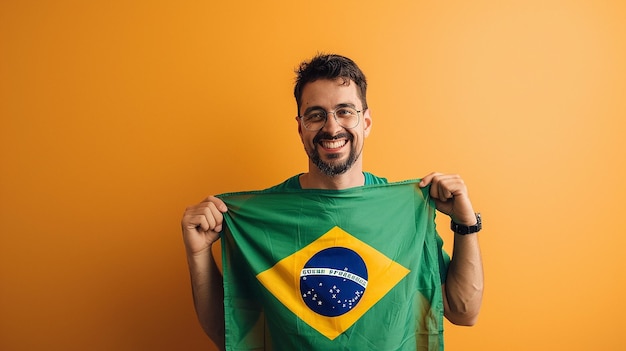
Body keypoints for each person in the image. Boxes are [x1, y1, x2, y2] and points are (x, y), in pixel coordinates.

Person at [181, 54, 484, 350]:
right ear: (301, 128)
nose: (331, 127)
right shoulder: (259, 221)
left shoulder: (406, 213)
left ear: (365, 122)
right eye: (316, 115)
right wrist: (198, 253)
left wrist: (466, 225)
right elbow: (229, 335)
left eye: (345, 111)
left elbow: (463, 312)